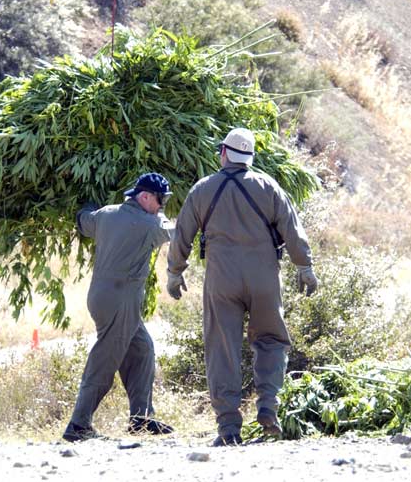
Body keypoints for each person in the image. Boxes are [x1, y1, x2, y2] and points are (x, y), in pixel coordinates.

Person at [166, 127, 318, 446]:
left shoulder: (203, 189)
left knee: (222, 348)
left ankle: (228, 427)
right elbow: (292, 228)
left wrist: (175, 272)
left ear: (224, 153)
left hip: (221, 280)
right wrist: (304, 266)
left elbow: (182, 235)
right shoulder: (268, 185)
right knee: (272, 340)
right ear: (249, 157)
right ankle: (268, 406)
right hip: (264, 277)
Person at [62, 172, 177, 442]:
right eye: (160, 200)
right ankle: (78, 425)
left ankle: (141, 418)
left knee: (142, 349)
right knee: (105, 361)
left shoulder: (106, 214)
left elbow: (83, 220)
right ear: (145, 197)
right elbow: (178, 232)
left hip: (102, 297)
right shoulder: (150, 225)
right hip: (120, 301)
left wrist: (86, 204)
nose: (162, 205)